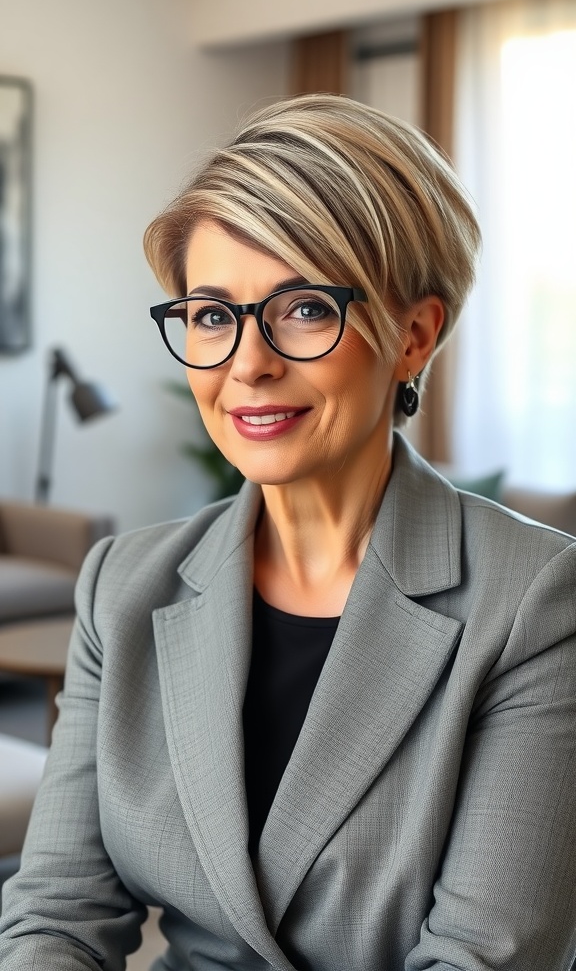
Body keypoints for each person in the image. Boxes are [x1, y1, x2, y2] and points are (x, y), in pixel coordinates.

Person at [1, 94, 575, 971]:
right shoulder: (122, 585)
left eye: (304, 308)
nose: (248, 363)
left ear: (414, 336)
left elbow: (480, 958)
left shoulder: (534, 601)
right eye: (212, 315)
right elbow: (57, 915)